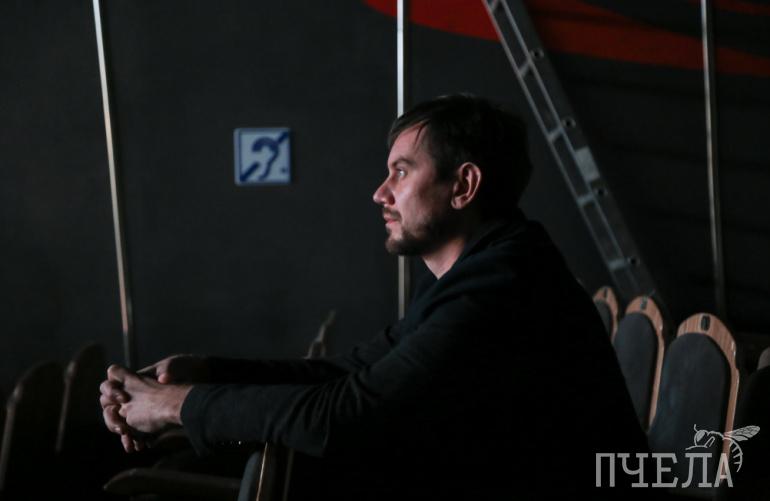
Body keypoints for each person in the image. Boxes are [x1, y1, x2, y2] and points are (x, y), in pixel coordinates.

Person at [101, 94, 648, 500]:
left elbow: (345, 416)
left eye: (401, 172)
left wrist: (172, 406)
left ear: (463, 186)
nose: (380, 193)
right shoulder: (478, 271)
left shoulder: (502, 288)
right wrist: (205, 373)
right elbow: (350, 373)